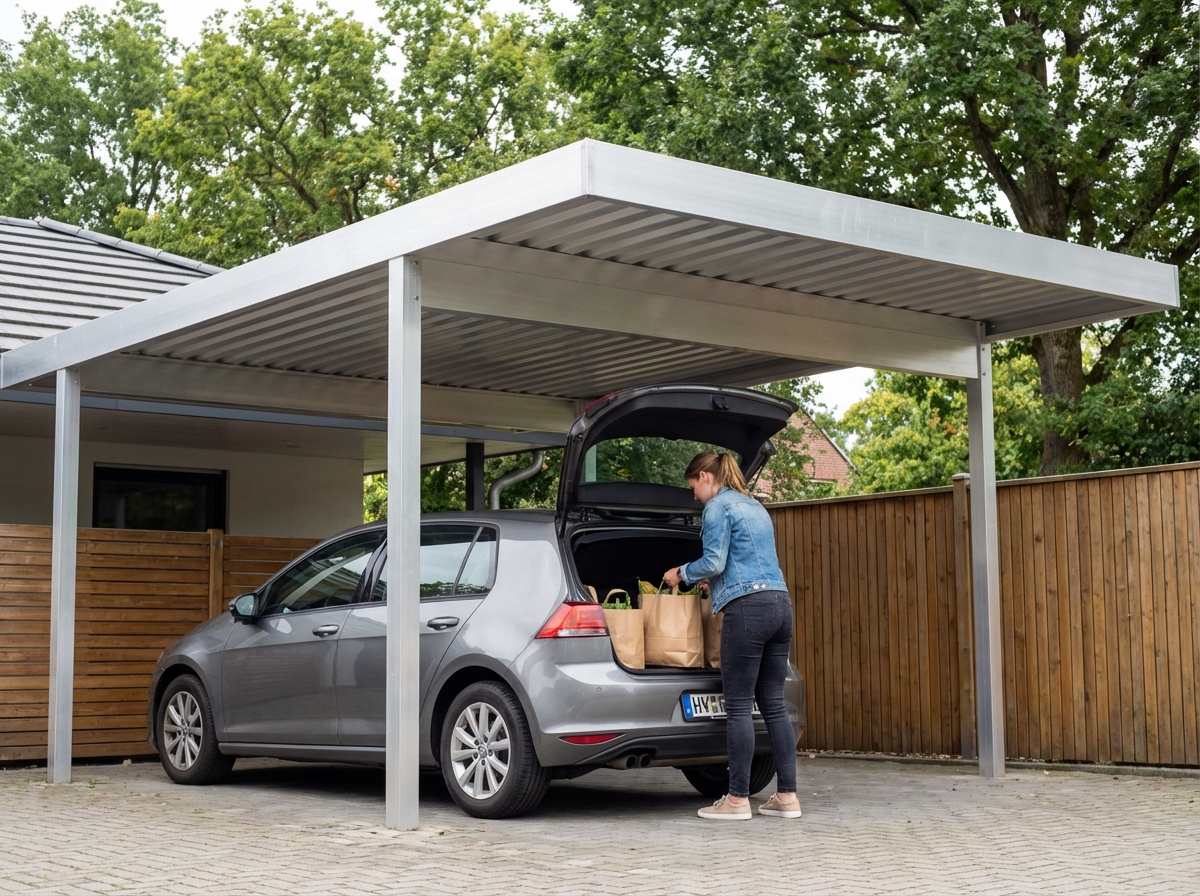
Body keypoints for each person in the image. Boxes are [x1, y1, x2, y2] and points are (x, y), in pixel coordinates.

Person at [664, 451, 802, 821]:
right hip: (781, 605)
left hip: (748, 610)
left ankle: (737, 800)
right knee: (773, 702)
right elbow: (743, 560)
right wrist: (716, 580)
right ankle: (787, 796)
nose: (694, 496)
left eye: (694, 486)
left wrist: (683, 572)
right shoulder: (755, 506)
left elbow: (713, 561)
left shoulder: (718, 508)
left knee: (739, 703)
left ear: (706, 477)